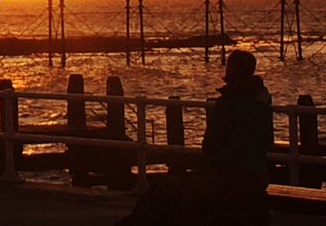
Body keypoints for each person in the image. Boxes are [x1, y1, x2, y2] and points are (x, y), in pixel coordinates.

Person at [116, 49, 273, 226]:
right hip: (256, 177)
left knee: (173, 189)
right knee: (175, 188)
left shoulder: (229, 103)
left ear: (231, 70)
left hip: (230, 179)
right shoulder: (262, 103)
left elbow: (212, 148)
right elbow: (267, 141)